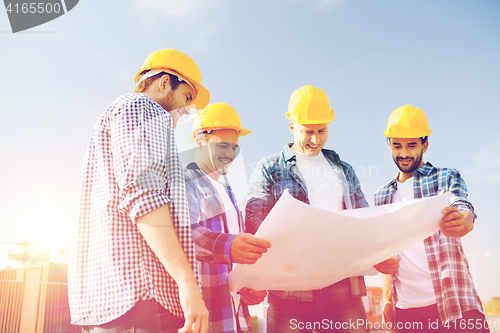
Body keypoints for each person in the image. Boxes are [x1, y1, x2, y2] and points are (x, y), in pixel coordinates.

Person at [68, 49, 211, 333]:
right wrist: (187, 282)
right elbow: (145, 197)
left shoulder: (116, 117)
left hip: (114, 300)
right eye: (185, 99)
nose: (185, 113)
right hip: (143, 299)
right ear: (163, 83)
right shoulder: (145, 109)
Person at [245, 85, 393, 333]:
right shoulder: (267, 168)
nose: (315, 139)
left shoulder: (343, 170)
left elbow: (365, 218)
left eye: (321, 131)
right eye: (308, 131)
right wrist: (257, 276)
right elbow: (254, 222)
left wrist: (380, 254)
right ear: (292, 126)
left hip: (343, 289)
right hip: (289, 292)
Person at [375, 105, 489, 333]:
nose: (404, 153)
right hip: (406, 312)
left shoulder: (445, 177)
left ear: (425, 145)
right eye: (397, 146)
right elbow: (386, 251)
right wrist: (387, 299)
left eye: (411, 145)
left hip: (455, 303)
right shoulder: (382, 196)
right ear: (389, 145)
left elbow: (461, 204)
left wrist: (465, 219)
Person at [185, 102, 272, 333]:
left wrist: (252, 286)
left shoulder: (228, 191)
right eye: (223, 146)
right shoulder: (185, 181)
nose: (230, 154)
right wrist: (229, 247)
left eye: (234, 147)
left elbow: (234, 257)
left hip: (235, 317)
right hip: (206, 317)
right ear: (200, 141)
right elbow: (182, 235)